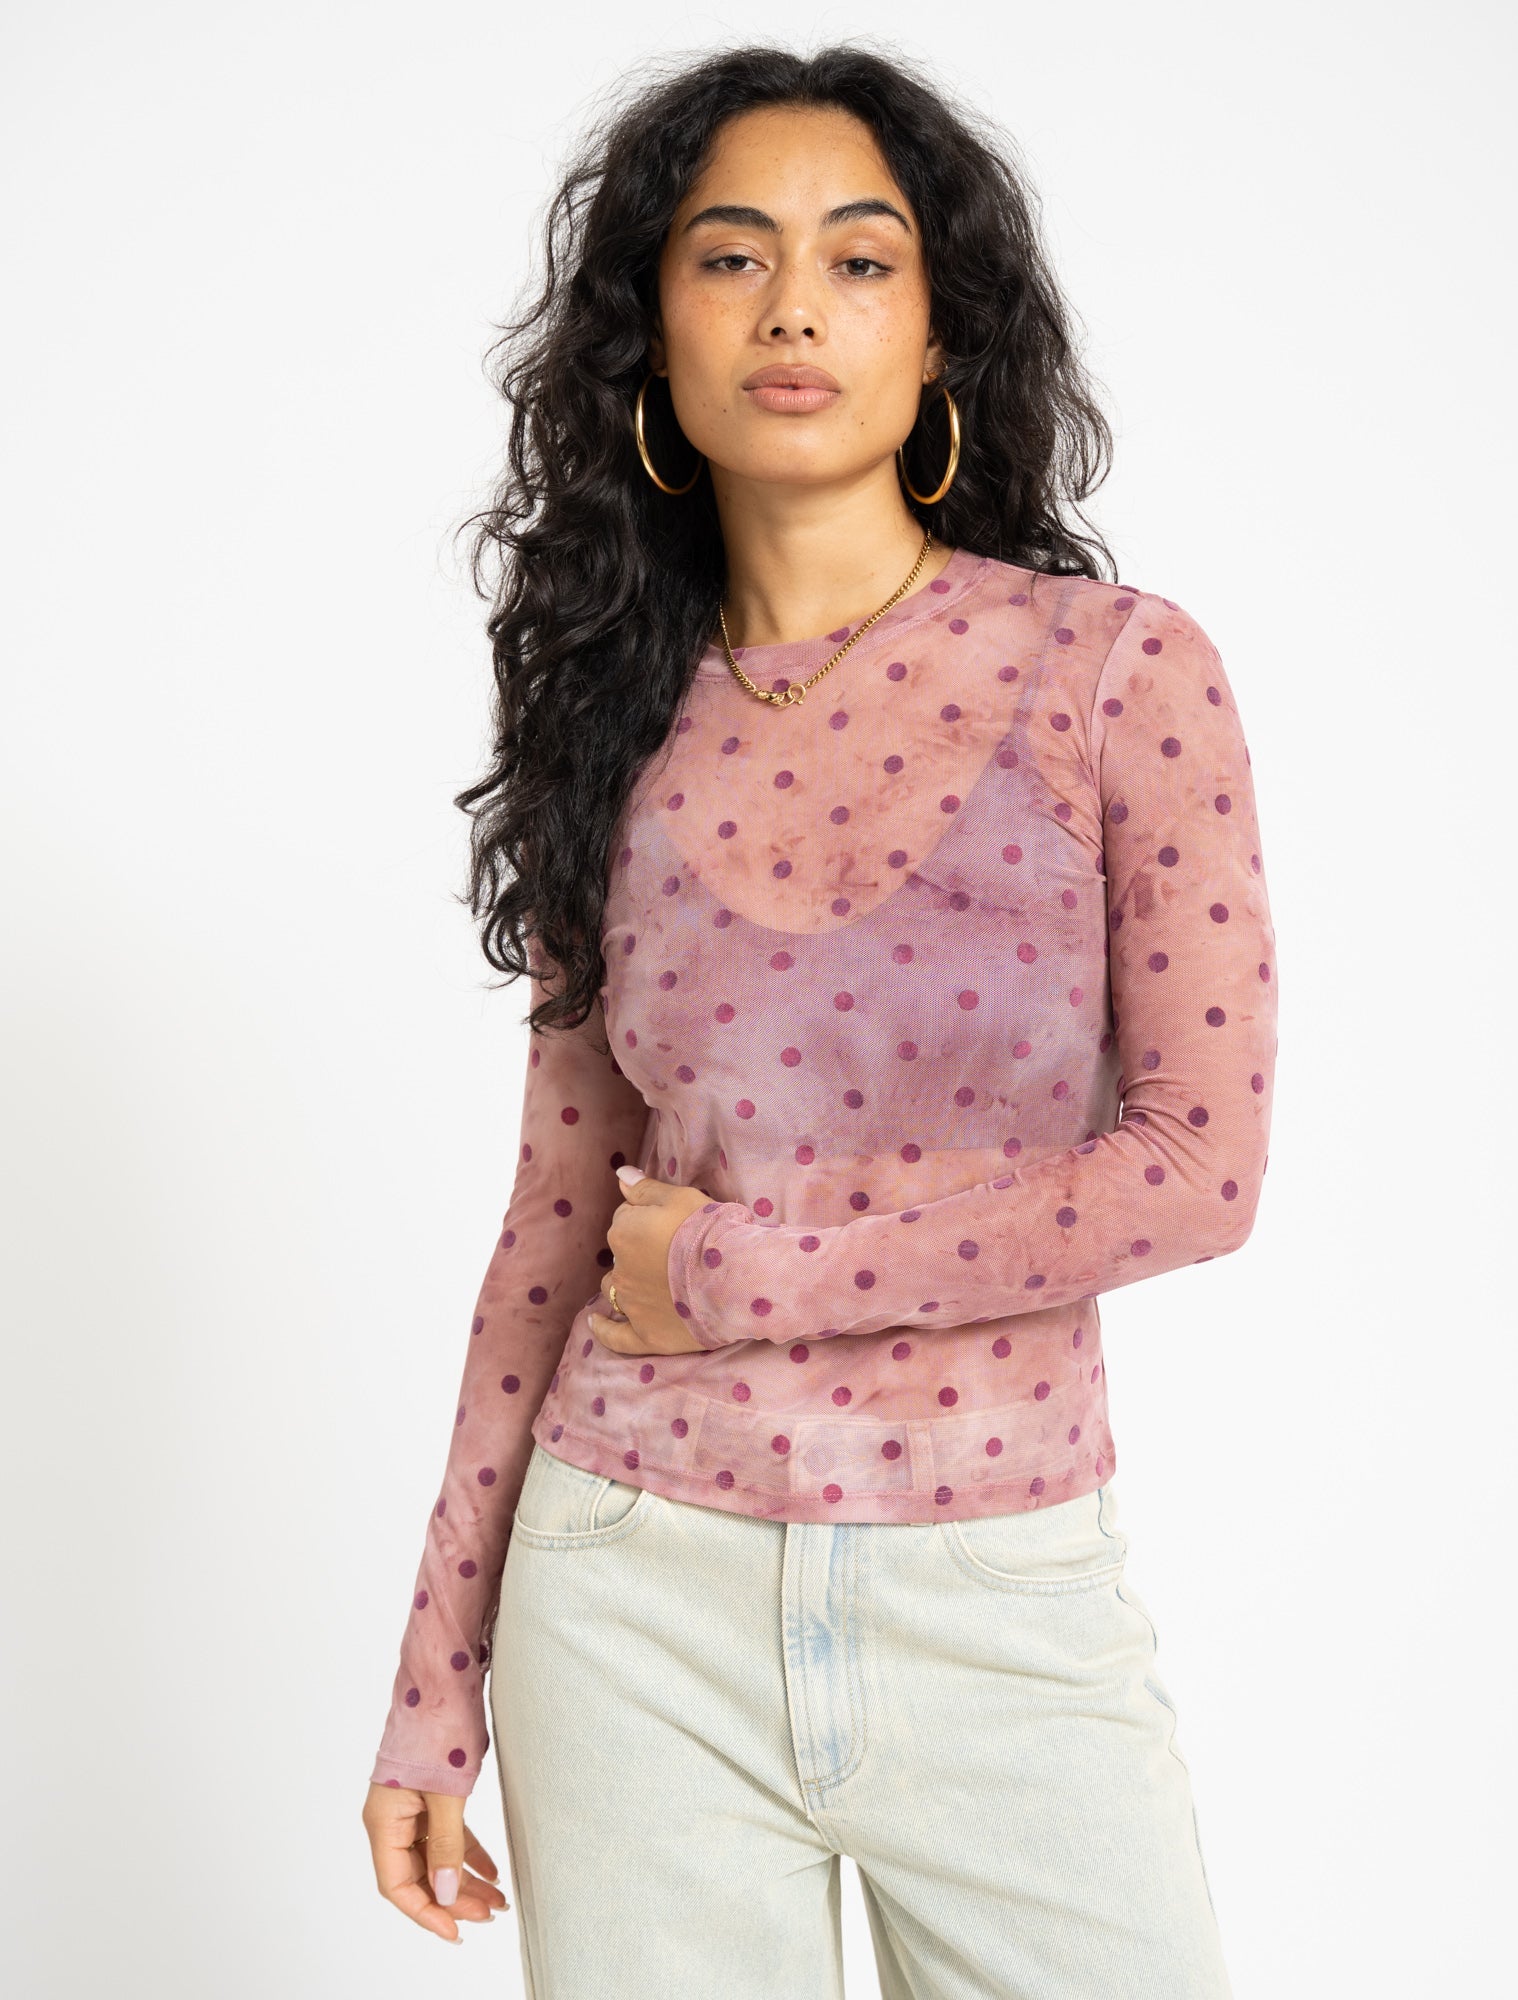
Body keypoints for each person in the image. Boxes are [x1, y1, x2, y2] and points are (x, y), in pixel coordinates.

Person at [361, 41, 1276, 2000]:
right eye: (730, 257)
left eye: (859, 261)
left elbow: (1197, 1171)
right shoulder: (609, 718)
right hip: (629, 1599)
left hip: (998, 1589)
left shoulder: (1114, 676)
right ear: (652, 336)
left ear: (940, 335)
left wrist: (754, 1271)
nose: (793, 307)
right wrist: (436, 1686)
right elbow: (552, 1230)